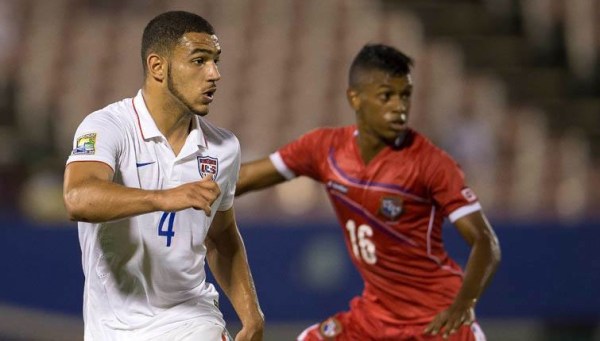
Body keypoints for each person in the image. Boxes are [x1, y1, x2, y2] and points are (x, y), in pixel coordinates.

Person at [236, 44, 501, 341]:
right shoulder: (325, 149)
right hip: (375, 318)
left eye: (405, 96)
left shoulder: (431, 164)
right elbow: (245, 177)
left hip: (436, 319)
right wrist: (183, 189)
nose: (399, 107)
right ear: (355, 98)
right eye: (387, 96)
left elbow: (485, 242)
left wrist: (464, 304)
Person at [63, 11, 264, 341]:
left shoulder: (223, 147)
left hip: (192, 321)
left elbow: (222, 237)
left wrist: (251, 314)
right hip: (112, 329)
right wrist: (162, 197)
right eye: (199, 60)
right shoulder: (107, 127)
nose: (214, 74)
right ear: (157, 67)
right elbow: (77, 198)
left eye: (216, 61)